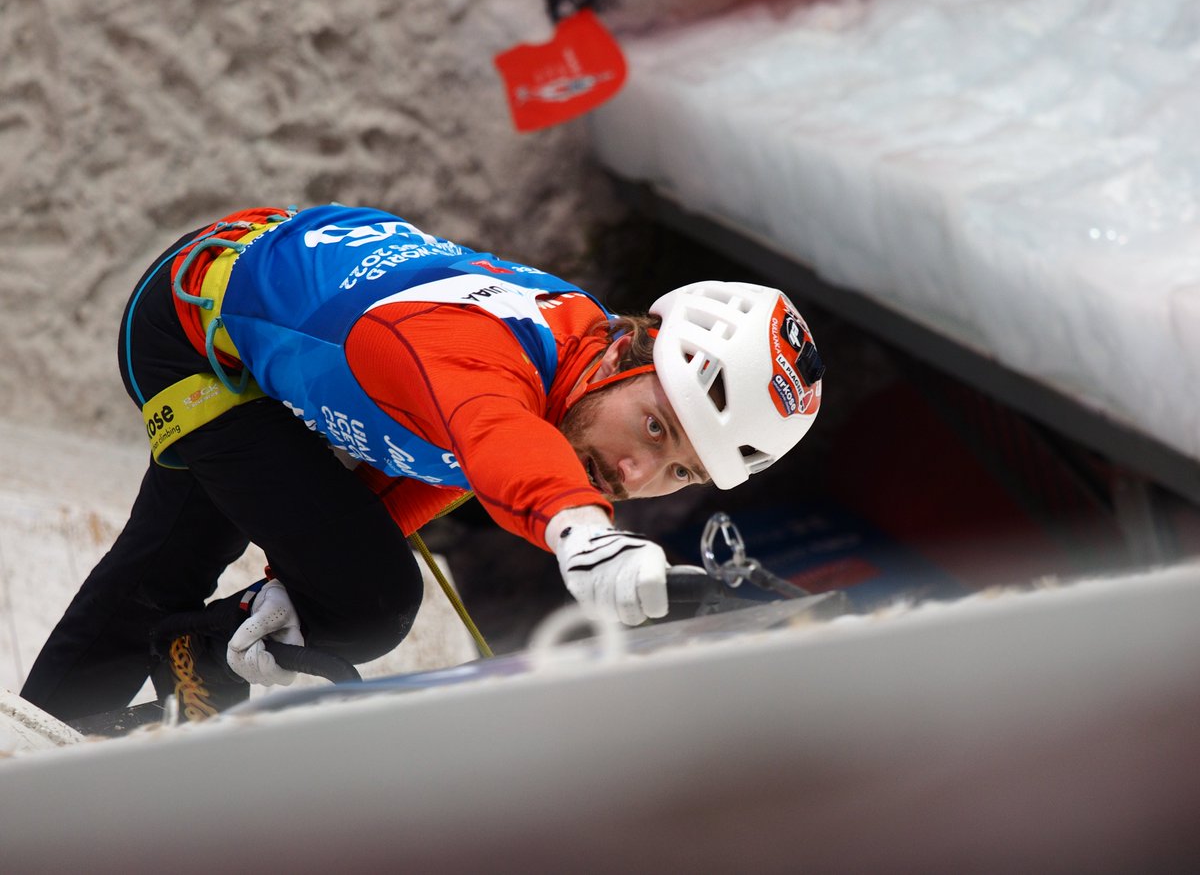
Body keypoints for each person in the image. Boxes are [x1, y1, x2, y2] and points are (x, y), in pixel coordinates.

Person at [20, 204, 824, 724]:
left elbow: (439, 461)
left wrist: (287, 586)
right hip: (192, 337)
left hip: (253, 296)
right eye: (655, 427)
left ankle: (72, 717)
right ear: (625, 349)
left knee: (275, 571)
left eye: (680, 472)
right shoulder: (488, 353)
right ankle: (90, 714)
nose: (641, 474)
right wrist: (584, 533)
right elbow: (486, 431)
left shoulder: (564, 371)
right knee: (357, 592)